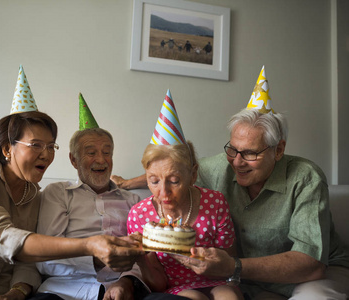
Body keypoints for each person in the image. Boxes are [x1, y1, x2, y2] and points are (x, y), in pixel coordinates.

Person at [112, 67, 349, 299]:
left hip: (308, 276)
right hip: (239, 280)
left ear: (279, 150)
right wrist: (126, 183)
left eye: (249, 153)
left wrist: (233, 267)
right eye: (232, 149)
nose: (237, 162)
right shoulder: (219, 166)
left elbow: (312, 264)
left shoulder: (306, 178)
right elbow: (173, 169)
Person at [0, 67, 143, 300]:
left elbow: (30, 262)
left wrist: (18, 291)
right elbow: (3, 239)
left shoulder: (36, 197)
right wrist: (90, 246)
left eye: (50, 146)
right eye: (36, 145)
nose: (46, 155)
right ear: (8, 148)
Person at [126, 90, 242, 300]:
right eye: (154, 181)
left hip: (215, 280)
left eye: (174, 181)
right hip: (174, 288)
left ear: (193, 175)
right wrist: (141, 258)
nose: (163, 192)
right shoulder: (139, 215)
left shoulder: (215, 203)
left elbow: (229, 260)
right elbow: (157, 283)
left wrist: (214, 265)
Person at [35, 94, 146, 300]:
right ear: (73, 160)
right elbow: (44, 258)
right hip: (62, 291)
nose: (101, 160)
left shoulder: (134, 202)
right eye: (91, 152)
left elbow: (145, 256)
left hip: (121, 289)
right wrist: (95, 259)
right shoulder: (57, 193)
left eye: (107, 152)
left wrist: (127, 281)